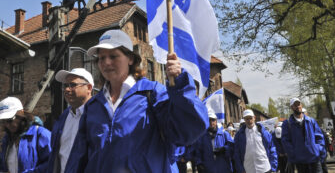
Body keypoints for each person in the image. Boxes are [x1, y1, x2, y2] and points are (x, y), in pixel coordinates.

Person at [65, 29, 208, 173]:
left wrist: (180, 85)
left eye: (113, 56)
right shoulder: (93, 106)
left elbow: (190, 128)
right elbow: (79, 157)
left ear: (131, 59)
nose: (106, 62)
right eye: (101, 58)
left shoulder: (152, 93)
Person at [47, 68, 94, 173]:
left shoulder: (99, 116)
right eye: (65, 86)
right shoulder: (62, 119)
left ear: (89, 88)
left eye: (73, 85)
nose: (67, 89)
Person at [0, 97, 51, 173]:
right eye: (3, 121)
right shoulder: (6, 140)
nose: (7, 125)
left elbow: (52, 163)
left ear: (21, 113)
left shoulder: (41, 134)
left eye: (10, 120)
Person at [281, 98, 326, 173]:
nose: (297, 106)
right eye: (295, 105)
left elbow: (319, 138)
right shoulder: (287, 124)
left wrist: (318, 150)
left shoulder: (311, 121)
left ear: (301, 105)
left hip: (314, 159)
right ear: (291, 107)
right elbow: (285, 141)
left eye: (298, 104)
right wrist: (294, 154)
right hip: (300, 162)